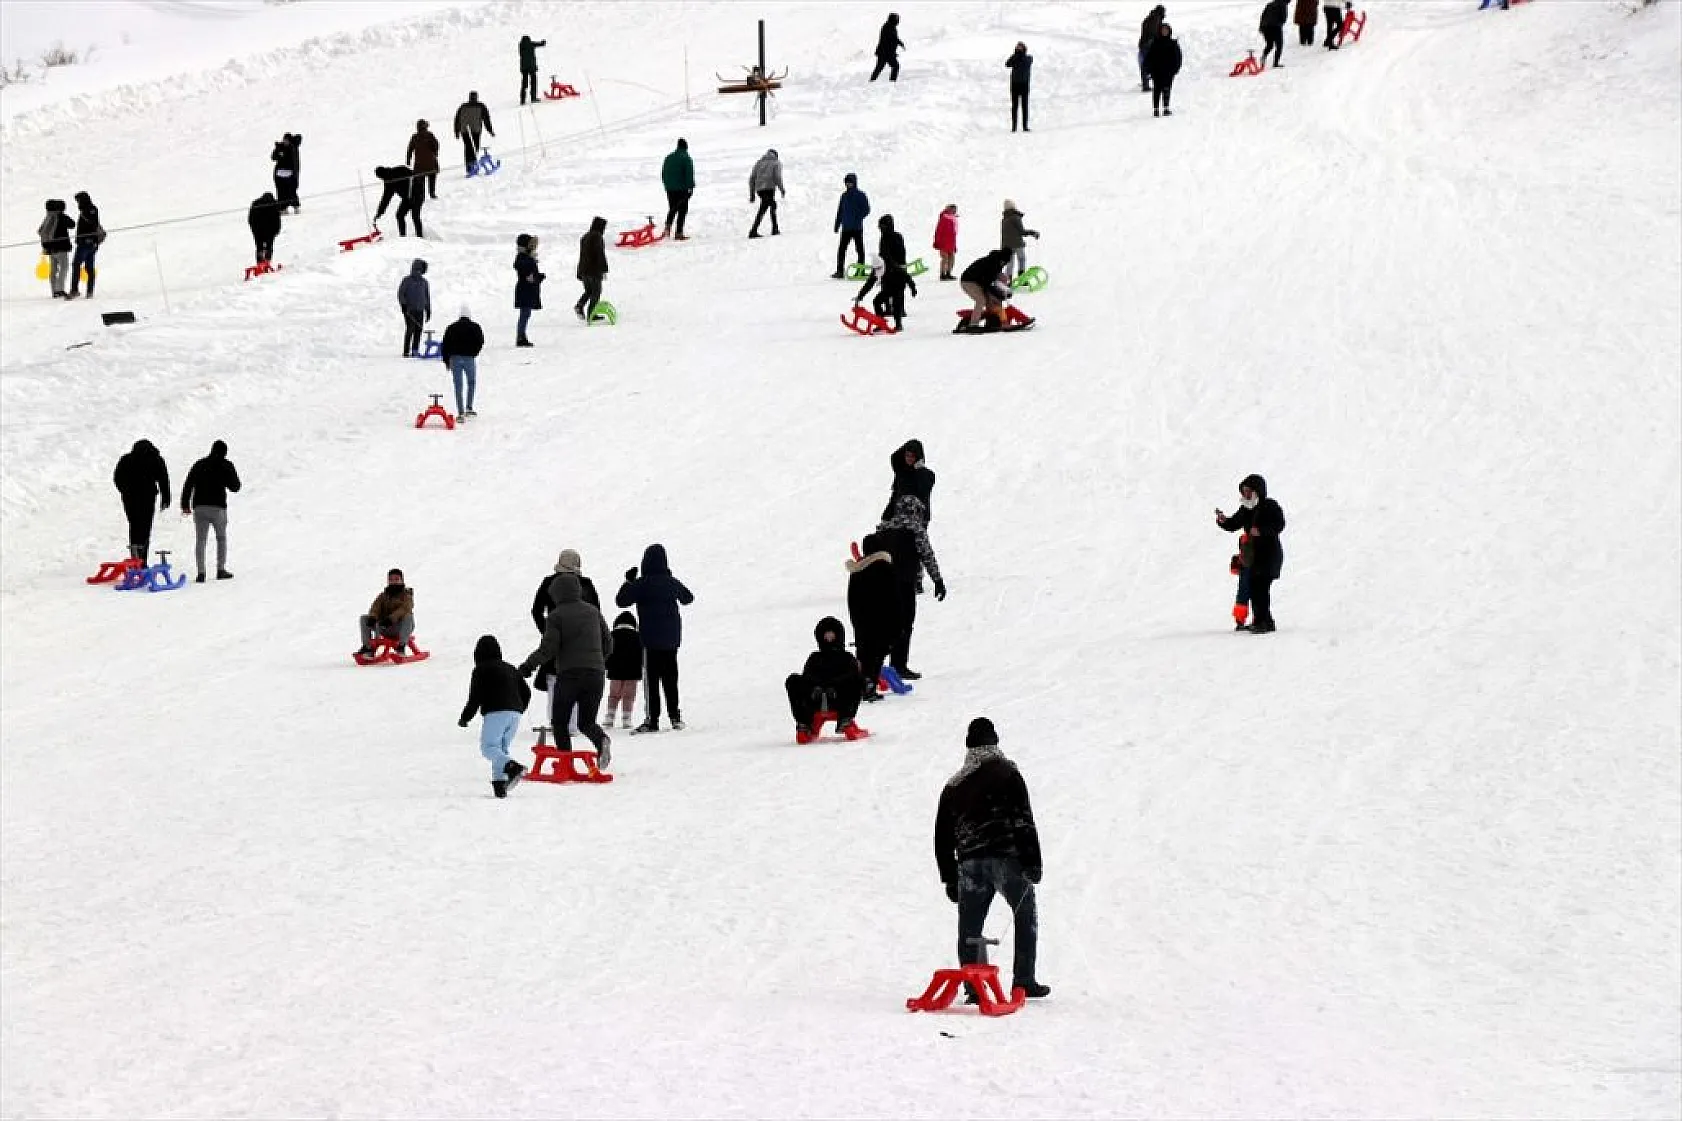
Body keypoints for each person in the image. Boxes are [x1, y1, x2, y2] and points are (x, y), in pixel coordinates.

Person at [934, 718, 1049, 1000]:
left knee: (969, 926)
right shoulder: (1007, 773)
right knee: (1024, 915)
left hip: (970, 864)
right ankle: (1023, 980)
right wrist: (1033, 861)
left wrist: (949, 877)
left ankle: (973, 985)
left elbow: (942, 836)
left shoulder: (954, 786)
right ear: (995, 742)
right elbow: (1023, 819)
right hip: (1006, 859)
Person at [517, 571, 614, 766]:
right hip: (596, 674)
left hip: (570, 674)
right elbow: (609, 642)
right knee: (587, 722)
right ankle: (601, 740)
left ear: (557, 594)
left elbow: (548, 649)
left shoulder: (556, 616)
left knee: (560, 722)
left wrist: (527, 667)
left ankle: (565, 763)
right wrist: (597, 661)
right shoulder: (593, 612)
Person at [616, 544, 694, 734]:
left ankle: (652, 719)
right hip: (671, 639)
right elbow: (688, 598)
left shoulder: (642, 584)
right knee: (670, 678)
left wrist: (628, 581)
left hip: (650, 641)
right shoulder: (671, 582)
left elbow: (621, 602)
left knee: (651, 681)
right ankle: (675, 716)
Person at [875, 493, 942, 679]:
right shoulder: (915, 529)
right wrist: (938, 580)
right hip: (904, 582)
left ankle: (875, 665)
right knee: (905, 624)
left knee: (884, 625)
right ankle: (898, 665)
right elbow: (926, 555)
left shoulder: (882, 529)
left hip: (883, 585)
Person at [459, 634, 531, 798]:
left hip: (496, 712)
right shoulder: (511, 668)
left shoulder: (481, 670)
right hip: (515, 714)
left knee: (488, 748)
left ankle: (512, 767)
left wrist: (465, 717)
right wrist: (518, 708)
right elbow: (526, 692)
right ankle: (500, 785)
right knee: (500, 750)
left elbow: (475, 697)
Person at [1214, 473, 1286, 632]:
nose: (1245, 494)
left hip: (1269, 555)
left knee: (1260, 588)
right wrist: (1224, 521)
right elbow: (1233, 524)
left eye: (1248, 491)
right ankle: (1262, 621)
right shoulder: (1246, 509)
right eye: (1243, 491)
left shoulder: (1270, 506)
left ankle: (1264, 622)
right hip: (1254, 557)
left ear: (1257, 491)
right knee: (1255, 587)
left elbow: (1279, 524)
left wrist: (1261, 531)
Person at [786, 617, 866, 740]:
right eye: (826, 636)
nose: (829, 639)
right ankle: (804, 723)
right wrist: (817, 686)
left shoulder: (847, 658)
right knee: (793, 680)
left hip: (839, 700)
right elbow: (807, 677)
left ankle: (845, 720)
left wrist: (834, 685)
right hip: (815, 700)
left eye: (832, 636)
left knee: (856, 679)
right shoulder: (815, 658)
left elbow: (852, 677)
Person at [847, 531, 901, 703]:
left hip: (862, 622)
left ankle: (864, 683)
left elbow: (851, 599)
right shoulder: (885, 568)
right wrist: (897, 623)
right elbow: (893, 598)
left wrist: (856, 621)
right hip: (882, 620)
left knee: (864, 654)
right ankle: (869, 684)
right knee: (877, 654)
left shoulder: (857, 571)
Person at [180, 439, 241, 582]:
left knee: (200, 540)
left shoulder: (199, 464)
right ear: (225, 453)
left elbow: (188, 484)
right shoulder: (226, 465)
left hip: (200, 507)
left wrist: (185, 504)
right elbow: (235, 487)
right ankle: (220, 570)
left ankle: (201, 573)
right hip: (218, 508)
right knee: (221, 538)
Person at [112, 438, 170, 563]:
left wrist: (124, 490)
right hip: (147, 497)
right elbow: (163, 479)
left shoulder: (126, 459)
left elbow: (117, 477)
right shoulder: (156, 459)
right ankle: (142, 560)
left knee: (134, 526)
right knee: (145, 528)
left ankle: (135, 559)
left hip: (129, 498)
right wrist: (165, 498)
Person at [532, 549, 602, 632]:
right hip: (582, 636)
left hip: (557, 635)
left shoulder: (548, 582)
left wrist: (547, 631)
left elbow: (537, 611)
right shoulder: (585, 583)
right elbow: (596, 612)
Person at [358, 568, 415, 656]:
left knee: (408, 616)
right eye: (391, 579)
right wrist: (373, 617)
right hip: (385, 627)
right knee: (364, 618)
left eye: (396, 579)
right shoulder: (383, 596)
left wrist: (391, 619)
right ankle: (368, 647)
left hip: (400, 628)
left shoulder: (407, 596)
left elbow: (404, 609)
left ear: (402, 580)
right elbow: (375, 608)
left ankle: (401, 647)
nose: (394, 581)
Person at [439, 306, 484, 420]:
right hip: (469, 358)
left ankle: (460, 412)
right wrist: (474, 352)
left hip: (455, 359)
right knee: (471, 382)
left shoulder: (451, 327)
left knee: (458, 386)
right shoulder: (475, 327)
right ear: (469, 316)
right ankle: (469, 407)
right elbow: (480, 341)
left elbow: (444, 345)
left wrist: (446, 361)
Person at [958, 248, 1016, 330]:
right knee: (981, 300)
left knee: (993, 301)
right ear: (1002, 259)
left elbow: (992, 280)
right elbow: (987, 282)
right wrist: (995, 294)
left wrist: (1002, 291)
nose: (1004, 264)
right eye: (1004, 262)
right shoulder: (992, 263)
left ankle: (992, 322)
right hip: (968, 281)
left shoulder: (998, 262)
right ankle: (973, 325)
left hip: (979, 282)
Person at [605, 611, 644, 729]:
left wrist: (607, 665)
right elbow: (642, 654)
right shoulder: (638, 636)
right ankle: (627, 718)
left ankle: (610, 717)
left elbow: (607, 652)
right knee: (629, 695)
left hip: (615, 670)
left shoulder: (611, 635)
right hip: (633, 671)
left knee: (613, 695)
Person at [881, 438, 935, 524]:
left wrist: (919, 469)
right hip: (899, 517)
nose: (909, 458)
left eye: (912, 456)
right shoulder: (901, 474)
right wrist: (886, 515)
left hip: (918, 522)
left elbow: (924, 492)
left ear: (918, 456)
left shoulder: (928, 475)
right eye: (907, 455)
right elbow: (895, 495)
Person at [832, 172, 870, 279]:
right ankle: (840, 271)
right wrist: (837, 224)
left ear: (855, 183)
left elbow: (866, 209)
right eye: (847, 183)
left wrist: (858, 217)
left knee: (860, 250)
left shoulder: (861, 195)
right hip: (846, 228)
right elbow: (840, 211)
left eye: (850, 183)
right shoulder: (843, 196)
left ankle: (860, 270)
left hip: (857, 228)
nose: (848, 184)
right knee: (841, 250)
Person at [67, 192, 103, 299]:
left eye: (78, 200)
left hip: (86, 243)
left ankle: (75, 290)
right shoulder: (87, 210)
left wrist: (86, 238)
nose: (77, 203)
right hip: (91, 243)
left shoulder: (90, 209)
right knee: (88, 267)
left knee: (77, 265)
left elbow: (93, 224)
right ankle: (89, 291)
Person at [38, 199, 74, 299]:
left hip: (50, 249)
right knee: (64, 268)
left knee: (53, 270)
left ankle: (54, 291)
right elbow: (72, 224)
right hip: (61, 248)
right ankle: (60, 289)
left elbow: (42, 231)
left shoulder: (48, 217)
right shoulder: (61, 217)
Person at [575, 216, 608, 322]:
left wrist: (579, 271)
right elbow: (599, 254)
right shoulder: (597, 236)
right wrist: (604, 269)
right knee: (596, 292)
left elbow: (582, 255)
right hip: (593, 270)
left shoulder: (585, 236)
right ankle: (591, 314)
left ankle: (580, 305)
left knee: (589, 291)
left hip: (584, 269)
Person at [513, 233, 544, 347]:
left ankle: (522, 336)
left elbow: (529, 273)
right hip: (524, 290)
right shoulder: (523, 257)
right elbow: (520, 267)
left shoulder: (526, 257)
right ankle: (521, 337)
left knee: (526, 314)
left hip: (527, 290)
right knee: (524, 314)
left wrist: (538, 276)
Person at [453, 91, 495, 174]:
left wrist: (457, 131)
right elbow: (486, 119)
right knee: (475, 148)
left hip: (464, 131)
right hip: (475, 130)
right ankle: (473, 166)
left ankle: (469, 168)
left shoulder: (463, 106)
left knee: (468, 148)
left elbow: (457, 120)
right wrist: (490, 130)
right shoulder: (481, 106)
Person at [1147, 22, 1183, 117]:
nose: (1164, 32)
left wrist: (1175, 69)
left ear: (1169, 31)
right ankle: (1156, 109)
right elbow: (1149, 57)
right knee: (1157, 90)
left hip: (1168, 72)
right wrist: (1149, 69)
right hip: (1156, 71)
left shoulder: (1173, 43)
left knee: (1167, 89)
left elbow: (1178, 57)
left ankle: (1166, 108)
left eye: (1166, 30)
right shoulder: (1155, 42)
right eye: (1163, 30)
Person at [661, 138, 694, 241]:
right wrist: (690, 187)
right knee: (682, 210)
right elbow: (689, 174)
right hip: (681, 188)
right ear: (686, 147)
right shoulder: (686, 158)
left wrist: (667, 185)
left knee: (672, 208)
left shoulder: (668, 157)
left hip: (670, 188)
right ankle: (678, 233)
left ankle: (667, 229)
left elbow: (663, 173)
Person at [747, 148, 784, 238]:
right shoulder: (776, 163)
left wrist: (752, 194)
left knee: (766, 207)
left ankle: (772, 229)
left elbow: (752, 178)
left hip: (759, 189)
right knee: (770, 205)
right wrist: (781, 189)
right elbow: (777, 177)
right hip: (769, 188)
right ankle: (770, 229)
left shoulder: (759, 163)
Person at [397, 258, 430, 357]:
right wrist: (403, 305)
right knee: (410, 329)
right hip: (409, 310)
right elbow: (401, 293)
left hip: (420, 310)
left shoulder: (424, 282)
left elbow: (427, 297)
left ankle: (415, 350)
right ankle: (406, 351)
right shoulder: (407, 280)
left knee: (418, 330)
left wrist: (428, 309)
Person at [1000, 200, 1040, 279]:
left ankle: (1008, 280)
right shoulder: (1015, 217)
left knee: (1010, 263)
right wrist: (1033, 233)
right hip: (1017, 244)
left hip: (1007, 246)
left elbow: (1004, 235)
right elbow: (1022, 232)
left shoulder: (1004, 219)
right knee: (1021, 259)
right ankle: (1022, 278)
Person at [406, 120, 441, 200]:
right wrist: (435, 153)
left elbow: (410, 149)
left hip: (419, 164)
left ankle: (422, 195)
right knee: (432, 178)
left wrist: (408, 160)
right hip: (431, 162)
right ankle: (432, 193)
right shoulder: (430, 135)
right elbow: (436, 145)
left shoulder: (414, 137)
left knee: (420, 181)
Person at [247, 192, 281, 266]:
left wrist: (253, 229)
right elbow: (277, 220)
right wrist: (277, 230)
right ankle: (267, 262)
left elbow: (250, 219)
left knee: (259, 246)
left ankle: (260, 263)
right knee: (269, 246)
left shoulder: (256, 203)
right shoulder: (274, 204)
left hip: (258, 230)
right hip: (269, 230)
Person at [270, 133, 301, 212]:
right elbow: (273, 157)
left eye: (286, 140)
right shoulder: (280, 147)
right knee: (281, 191)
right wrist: (277, 150)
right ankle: (283, 208)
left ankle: (296, 207)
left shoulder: (293, 147)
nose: (285, 142)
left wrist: (295, 174)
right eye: (284, 140)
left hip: (290, 174)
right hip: (279, 174)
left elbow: (294, 161)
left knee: (291, 191)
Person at [1006, 42, 1032, 132]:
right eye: (1017, 48)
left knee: (1024, 106)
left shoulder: (1028, 58)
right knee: (1014, 106)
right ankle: (1014, 127)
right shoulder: (1015, 58)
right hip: (1014, 84)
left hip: (1024, 85)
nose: (1018, 49)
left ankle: (1025, 126)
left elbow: (1025, 61)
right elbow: (1007, 64)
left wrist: (1019, 54)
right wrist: (1015, 54)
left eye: (1020, 48)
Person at [1139, 4, 1166, 91]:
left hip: (1143, 44)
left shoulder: (1149, 18)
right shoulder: (1156, 19)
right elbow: (1153, 33)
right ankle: (1148, 85)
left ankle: (1145, 82)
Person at [870, 12, 903, 81]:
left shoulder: (890, 26)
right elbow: (891, 40)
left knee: (881, 68)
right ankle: (891, 82)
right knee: (892, 66)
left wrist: (899, 43)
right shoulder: (888, 27)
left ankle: (872, 81)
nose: (898, 21)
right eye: (897, 19)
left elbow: (894, 39)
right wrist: (898, 44)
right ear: (893, 19)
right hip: (884, 53)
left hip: (886, 53)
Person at [395, 169, 426, 238]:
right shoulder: (399, 180)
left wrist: (415, 200)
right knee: (399, 215)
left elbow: (420, 190)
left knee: (415, 216)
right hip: (407, 199)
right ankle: (403, 236)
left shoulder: (417, 177)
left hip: (417, 199)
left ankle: (420, 236)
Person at [518, 34, 547, 105]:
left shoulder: (521, 46)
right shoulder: (531, 44)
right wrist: (543, 42)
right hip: (532, 67)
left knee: (524, 84)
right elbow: (540, 44)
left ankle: (522, 100)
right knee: (533, 82)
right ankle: (533, 98)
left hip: (524, 68)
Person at [932, 204, 958, 281]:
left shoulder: (954, 219)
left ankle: (948, 273)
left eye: (955, 210)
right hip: (943, 243)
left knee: (952, 258)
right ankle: (942, 274)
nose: (954, 211)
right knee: (945, 258)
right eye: (953, 210)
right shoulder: (944, 218)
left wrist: (955, 245)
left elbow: (954, 233)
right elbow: (938, 231)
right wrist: (937, 242)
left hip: (951, 242)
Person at [1260, 0, 1289, 67]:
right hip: (1276, 27)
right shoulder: (1283, 5)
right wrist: (1280, 23)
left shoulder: (1269, 4)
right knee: (1279, 46)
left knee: (1269, 45)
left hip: (1265, 27)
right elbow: (1283, 18)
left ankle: (1263, 56)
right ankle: (1275, 63)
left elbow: (1263, 16)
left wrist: (1261, 27)